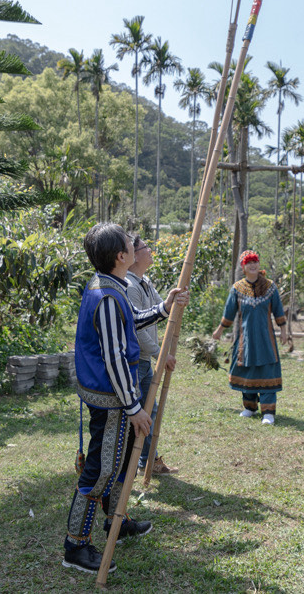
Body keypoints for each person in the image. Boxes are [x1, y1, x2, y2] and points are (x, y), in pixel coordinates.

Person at [62, 222, 188, 574]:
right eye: (131, 245)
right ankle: (76, 546)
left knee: (116, 464)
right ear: (121, 256)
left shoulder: (111, 286)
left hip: (113, 396)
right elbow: (115, 358)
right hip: (111, 399)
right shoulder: (106, 296)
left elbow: (131, 320)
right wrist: (133, 408)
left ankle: (115, 522)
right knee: (100, 470)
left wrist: (164, 307)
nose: (137, 247)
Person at [211, 250, 288, 425]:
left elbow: (278, 310)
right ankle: (250, 407)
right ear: (243, 267)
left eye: (255, 262)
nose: (253, 265)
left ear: (259, 265)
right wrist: (219, 331)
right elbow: (229, 312)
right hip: (245, 341)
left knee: (267, 371)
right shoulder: (237, 288)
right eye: (249, 263)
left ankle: (268, 412)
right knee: (246, 370)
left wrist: (284, 331)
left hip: (265, 339)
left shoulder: (270, 287)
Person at [126, 234, 179, 475]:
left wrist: (177, 301)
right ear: (134, 254)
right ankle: (134, 461)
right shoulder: (129, 286)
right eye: (146, 247)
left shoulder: (145, 281)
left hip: (145, 361)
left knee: (149, 411)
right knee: (136, 413)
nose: (150, 251)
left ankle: (148, 459)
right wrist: (160, 353)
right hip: (135, 361)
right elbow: (137, 330)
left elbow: (162, 309)